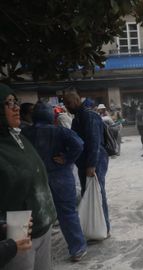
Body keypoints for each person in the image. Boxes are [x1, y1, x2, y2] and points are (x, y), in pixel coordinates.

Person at [0, 83, 57, 270]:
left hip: (43, 226)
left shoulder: (18, 137)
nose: (16, 107)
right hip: (17, 237)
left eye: (16, 101)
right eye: (8, 103)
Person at [22, 101, 87, 262]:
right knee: (67, 213)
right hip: (60, 177)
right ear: (51, 115)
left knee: (34, 216)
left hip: (35, 179)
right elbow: (79, 144)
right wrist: (66, 159)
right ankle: (77, 248)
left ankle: (28, 252)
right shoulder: (60, 131)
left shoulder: (25, 133)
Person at [63, 91, 111, 237]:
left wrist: (91, 165)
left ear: (77, 100)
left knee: (97, 192)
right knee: (88, 192)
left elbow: (94, 142)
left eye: (69, 103)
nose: (67, 107)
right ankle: (94, 227)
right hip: (85, 161)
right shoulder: (78, 116)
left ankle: (104, 228)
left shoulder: (89, 116)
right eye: (65, 104)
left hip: (94, 161)